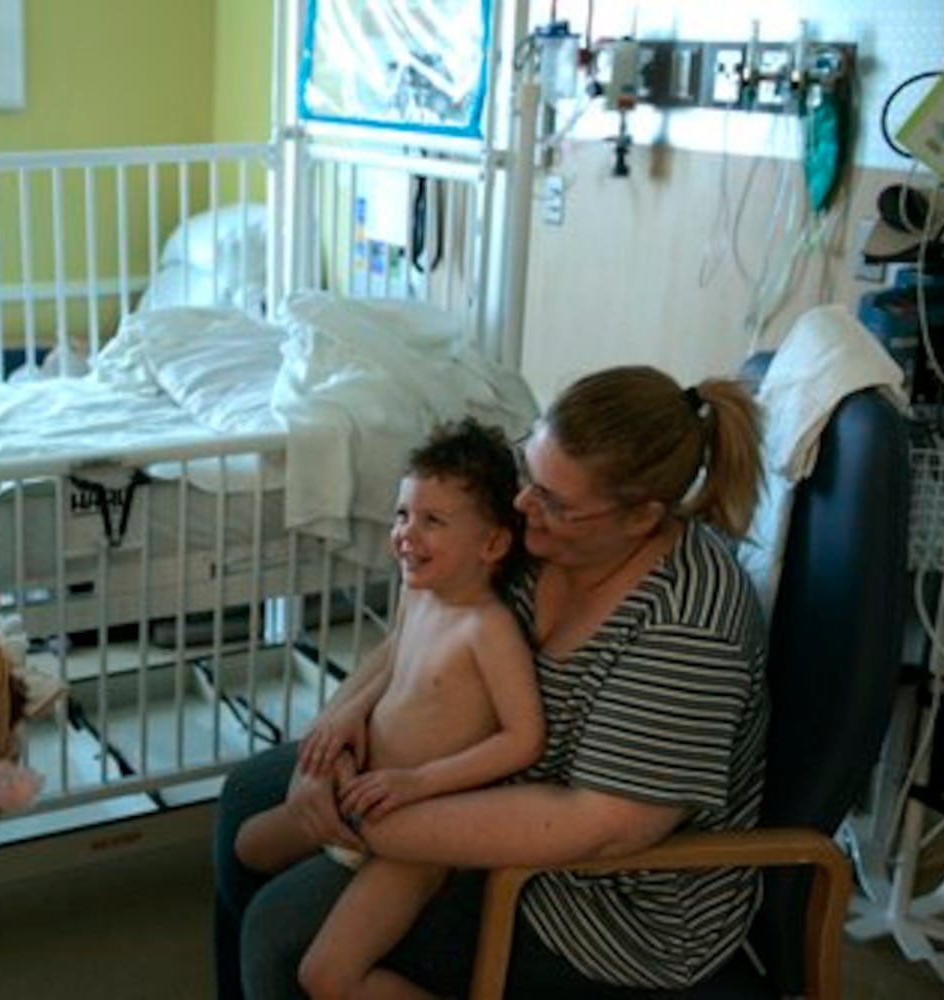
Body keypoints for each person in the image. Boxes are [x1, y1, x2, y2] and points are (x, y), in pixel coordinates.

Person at [214, 365, 768, 999]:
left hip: (600, 901)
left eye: (555, 502)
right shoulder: (527, 499)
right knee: (248, 797)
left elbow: (602, 823)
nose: (524, 501)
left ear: (641, 518)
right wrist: (331, 738)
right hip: (467, 773)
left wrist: (358, 817)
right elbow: (416, 628)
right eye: (531, 469)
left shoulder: (689, 625)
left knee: (281, 938)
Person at [233, 417, 545, 1000]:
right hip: (362, 799)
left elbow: (524, 738)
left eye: (432, 521)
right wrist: (349, 713)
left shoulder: (488, 630)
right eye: (403, 514)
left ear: (494, 543)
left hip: (417, 837)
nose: (405, 534)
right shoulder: (418, 591)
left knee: (325, 976)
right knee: (250, 844)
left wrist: (418, 781)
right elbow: (397, 659)